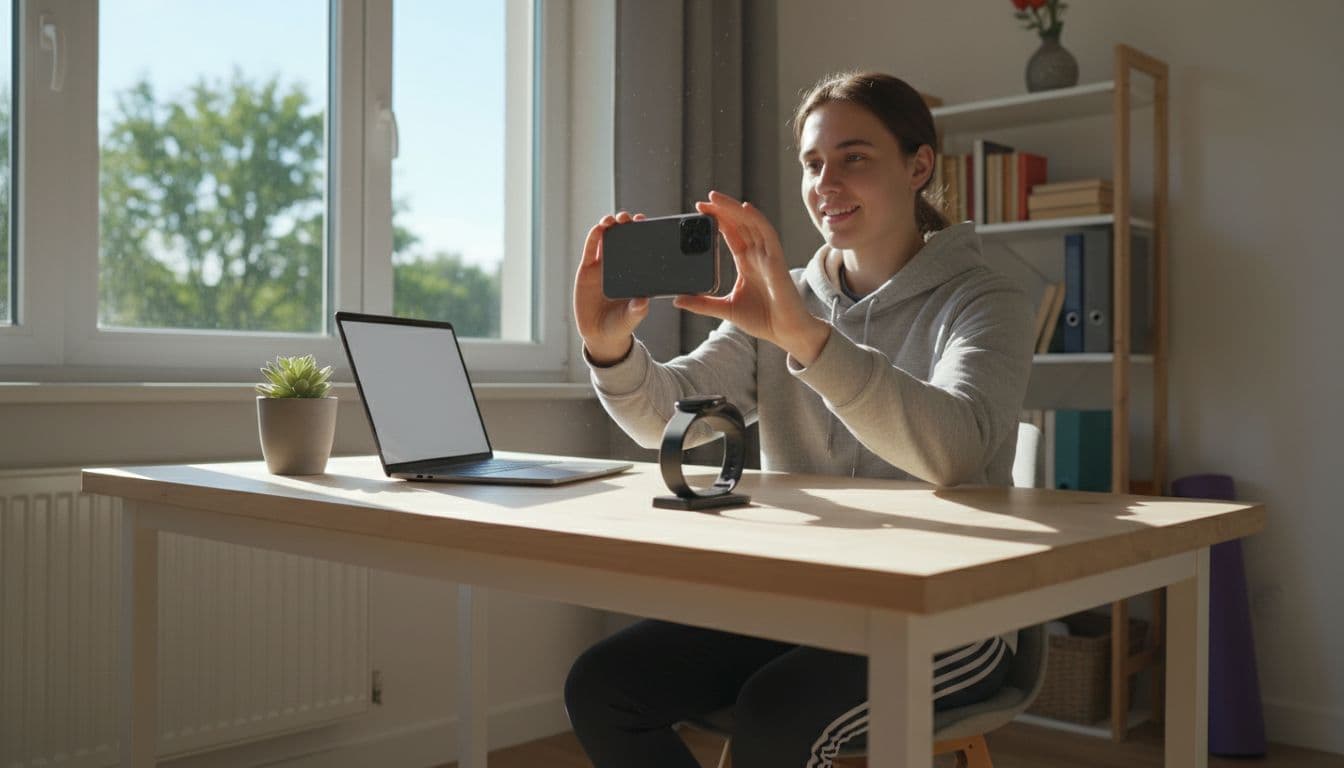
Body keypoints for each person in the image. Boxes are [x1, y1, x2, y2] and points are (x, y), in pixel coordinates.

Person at [565, 71, 1035, 768]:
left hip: (950, 614)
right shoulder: (788, 300)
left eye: (854, 158)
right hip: (802, 601)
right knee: (604, 686)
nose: (826, 183)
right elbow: (671, 415)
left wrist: (807, 339)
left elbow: (955, 451)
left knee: (779, 712)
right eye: (814, 163)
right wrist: (608, 347)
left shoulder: (987, 298)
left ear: (919, 166)